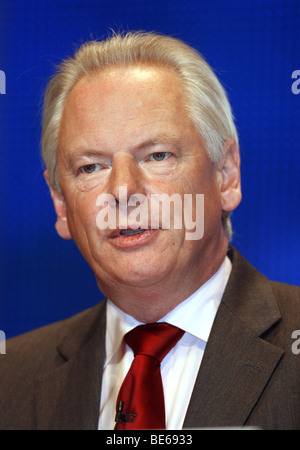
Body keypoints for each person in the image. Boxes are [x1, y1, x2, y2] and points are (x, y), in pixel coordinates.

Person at [0, 31, 299, 431]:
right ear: (60, 203)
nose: (123, 190)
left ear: (226, 175)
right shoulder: (9, 379)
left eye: (158, 155)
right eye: (91, 167)